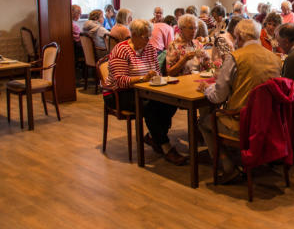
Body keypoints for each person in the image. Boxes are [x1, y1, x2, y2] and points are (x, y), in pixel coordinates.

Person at [197, 19, 282, 182]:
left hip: (242, 121)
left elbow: (218, 97)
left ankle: (228, 167)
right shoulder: (274, 57)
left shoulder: (235, 58)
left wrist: (207, 89)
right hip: (270, 120)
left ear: (240, 37)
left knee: (204, 122)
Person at [106, 19, 186, 165]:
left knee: (171, 102)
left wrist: (156, 77)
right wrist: (143, 78)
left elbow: (156, 71)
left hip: (146, 90)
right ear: (134, 35)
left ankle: (154, 136)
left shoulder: (149, 48)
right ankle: (165, 146)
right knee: (151, 107)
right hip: (120, 94)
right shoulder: (121, 50)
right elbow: (120, 81)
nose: (149, 40)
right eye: (145, 37)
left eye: (149, 36)